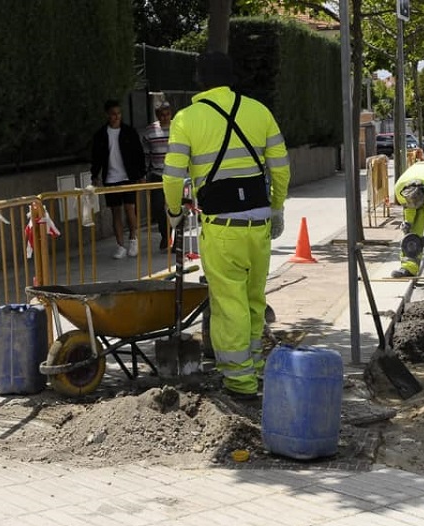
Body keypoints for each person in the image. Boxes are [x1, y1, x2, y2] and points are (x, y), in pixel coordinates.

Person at [163, 52, 290, 400]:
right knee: (253, 298)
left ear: (199, 80)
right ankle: (256, 368)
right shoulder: (259, 111)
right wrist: (276, 209)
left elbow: (173, 176)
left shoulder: (187, 119)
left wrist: (173, 212)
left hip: (221, 227)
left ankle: (239, 381)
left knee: (228, 303)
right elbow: (280, 168)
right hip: (259, 223)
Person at [90, 99, 146, 259]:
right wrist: (95, 175)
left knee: (130, 208)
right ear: (108, 115)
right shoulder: (101, 135)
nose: (116, 117)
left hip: (128, 176)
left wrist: (141, 174)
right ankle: (120, 245)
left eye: (119, 113)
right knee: (115, 211)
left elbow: (138, 153)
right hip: (111, 177)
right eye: (113, 114)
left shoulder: (129, 132)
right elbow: (96, 157)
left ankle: (133, 239)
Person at [141, 101, 172, 250]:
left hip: (175, 175)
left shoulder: (178, 128)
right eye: (162, 115)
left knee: (176, 207)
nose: (165, 118)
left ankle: (175, 239)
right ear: (157, 116)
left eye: (167, 114)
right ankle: (165, 235)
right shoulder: (150, 131)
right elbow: (146, 155)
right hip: (157, 174)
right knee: (158, 207)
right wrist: (144, 174)